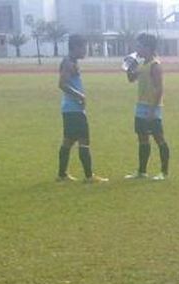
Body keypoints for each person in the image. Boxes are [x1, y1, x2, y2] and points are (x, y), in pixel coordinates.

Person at [57, 34, 108, 183]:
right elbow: (62, 84)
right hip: (74, 109)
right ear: (76, 47)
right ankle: (89, 176)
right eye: (84, 47)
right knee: (84, 140)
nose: (85, 50)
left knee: (68, 140)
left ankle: (62, 175)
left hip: (70, 109)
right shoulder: (68, 63)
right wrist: (80, 96)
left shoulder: (71, 61)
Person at [125, 33, 170, 180]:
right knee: (142, 138)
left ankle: (163, 172)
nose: (137, 48)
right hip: (141, 106)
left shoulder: (155, 65)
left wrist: (152, 109)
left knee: (159, 138)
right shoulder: (143, 64)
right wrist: (129, 67)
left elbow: (159, 88)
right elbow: (131, 79)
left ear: (148, 47)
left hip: (152, 108)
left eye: (139, 46)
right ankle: (142, 171)